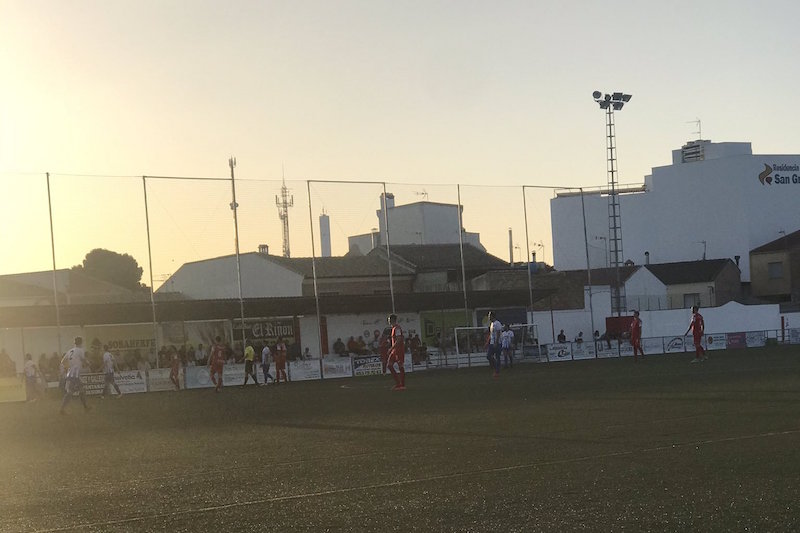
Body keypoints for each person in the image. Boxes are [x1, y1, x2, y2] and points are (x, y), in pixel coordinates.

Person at [59, 337, 90, 414]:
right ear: (81, 342)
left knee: (72, 391)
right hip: (75, 374)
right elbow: (83, 360)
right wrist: (88, 363)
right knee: (79, 390)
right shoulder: (80, 350)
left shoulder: (70, 350)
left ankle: (62, 409)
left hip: (70, 373)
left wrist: (68, 367)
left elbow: (62, 361)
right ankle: (85, 407)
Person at [386, 314, 406, 390]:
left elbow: (399, 339)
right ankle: (398, 383)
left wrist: (391, 348)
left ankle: (402, 385)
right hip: (394, 350)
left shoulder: (397, 328)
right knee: (389, 365)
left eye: (388, 319)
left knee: (400, 366)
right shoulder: (394, 328)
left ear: (391, 320)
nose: (388, 321)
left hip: (398, 350)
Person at [486, 311, 503, 378]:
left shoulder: (497, 323)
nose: (488, 317)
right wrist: (488, 342)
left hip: (497, 343)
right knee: (488, 356)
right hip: (492, 343)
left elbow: (498, 333)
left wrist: (496, 342)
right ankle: (496, 367)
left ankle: (497, 371)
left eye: (489, 316)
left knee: (497, 357)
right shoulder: (492, 324)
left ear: (492, 316)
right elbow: (491, 334)